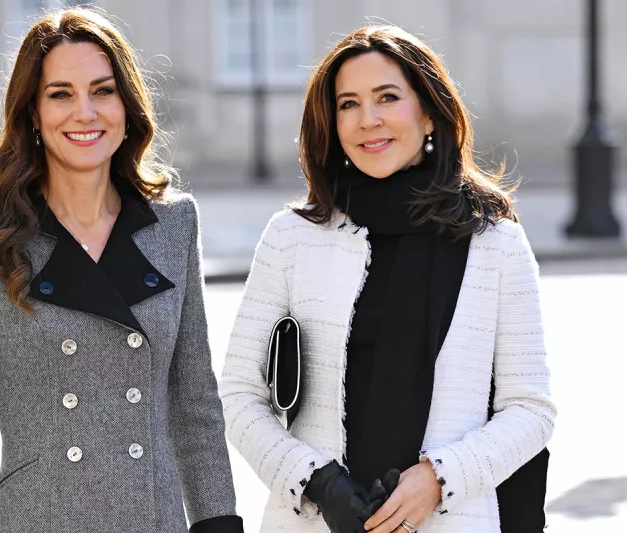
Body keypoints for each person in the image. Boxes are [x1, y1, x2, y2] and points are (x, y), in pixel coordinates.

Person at [0, 8, 243, 533]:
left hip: (154, 520)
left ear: (127, 105)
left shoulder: (174, 224)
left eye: (103, 91)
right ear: (33, 114)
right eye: (60, 94)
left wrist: (219, 523)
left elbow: (195, 403)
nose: (84, 112)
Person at [219, 24, 555, 533]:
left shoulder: (495, 243)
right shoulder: (292, 236)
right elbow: (240, 397)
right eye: (348, 104)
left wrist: (439, 480)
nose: (367, 120)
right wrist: (317, 482)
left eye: (387, 97)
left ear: (428, 112)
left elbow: (530, 410)